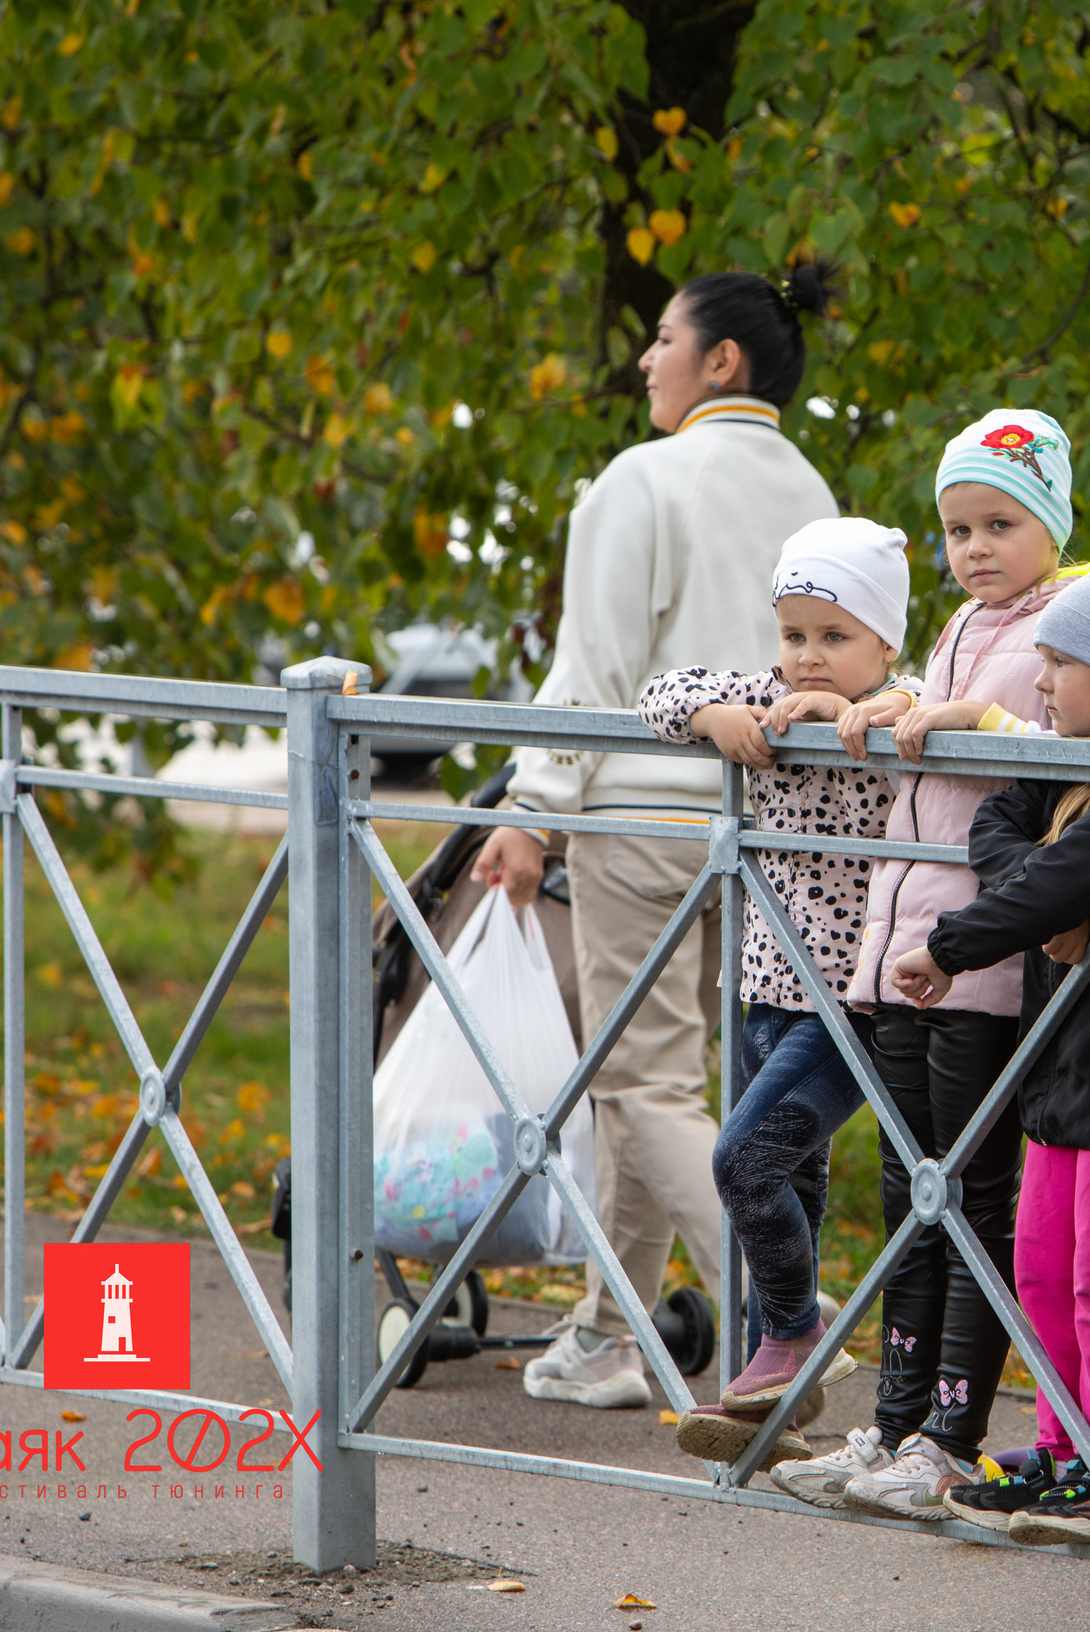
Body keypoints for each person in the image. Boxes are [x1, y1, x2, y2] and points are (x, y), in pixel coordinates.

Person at [469, 263, 842, 1410]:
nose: (645, 357)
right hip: (765, 828)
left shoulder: (642, 477)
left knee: (641, 1084)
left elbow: (593, 669)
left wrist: (531, 810)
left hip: (639, 817)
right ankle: (604, 1334)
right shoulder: (815, 493)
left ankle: (791, 1313)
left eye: (665, 337)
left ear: (720, 360)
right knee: (656, 1083)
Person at [767, 408, 1090, 1518]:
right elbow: (917, 718)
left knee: (967, 1200)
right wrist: (878, 704)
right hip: (900, 956)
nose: (976, 548)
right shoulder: (961, 623)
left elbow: (1071, 756)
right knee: (914, 1199)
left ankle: (952, 1435)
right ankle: (896, 1421)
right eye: (958, 529)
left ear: (1052, 521)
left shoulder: (1065, 623)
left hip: (980, 962)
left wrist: (979, 719)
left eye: (1001, 523)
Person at [877, 558, 1090, 1547]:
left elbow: (1071, 867)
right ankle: (1070, 1452)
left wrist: (954, 943)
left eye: (1062, 663)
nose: (1042, 679)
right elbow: (1000, 827)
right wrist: (1048, 893)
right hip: (1058, 1066)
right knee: (1039, 1271)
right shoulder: (1064, 756)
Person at [635, 517, 923, 1465]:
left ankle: (797, 1331)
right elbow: (658, 692)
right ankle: (777, 1400)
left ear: (886, 642)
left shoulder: (897, 707)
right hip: (764, 984)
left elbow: (942, 714)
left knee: (744, 1163)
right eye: (794, 634)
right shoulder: (767, 695)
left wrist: (875, 713)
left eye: (836, 636)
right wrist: (713, 718)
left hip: (853, 1002)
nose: (808, 656)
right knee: (790, 1183)